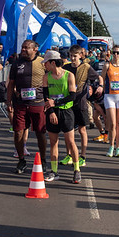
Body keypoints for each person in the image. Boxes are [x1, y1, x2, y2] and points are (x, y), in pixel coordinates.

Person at [6, 40, 47, 174]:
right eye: (22, 47)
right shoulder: (17, 63)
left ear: (35, 49)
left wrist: (49, 100)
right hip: (21, 104)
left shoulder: (42, 62)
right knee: (18, 132)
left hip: (38, 103)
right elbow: (11, 83)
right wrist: (8, 102)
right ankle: (21, 160)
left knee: (40, 132)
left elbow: (50, 79)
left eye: (26, 48)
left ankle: (43, 160)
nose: (23, 50)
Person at [42, 50, 81, 184]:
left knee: (70, 142)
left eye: (45, 63)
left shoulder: (69, 75)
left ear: (53, 62)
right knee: (53, 142)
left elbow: (72, 96)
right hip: (53, 112)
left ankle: (76, 170)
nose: (44, 66)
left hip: (66, 111)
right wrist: (51, 111)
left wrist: (56, 102)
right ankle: (54, 170)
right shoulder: (46, 77)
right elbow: (46, 96)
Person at [62, 44, 102, 168]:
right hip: (68, 102)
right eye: (71, 56)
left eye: (75, 56)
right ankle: (69, 154)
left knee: (82, 130)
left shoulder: (86, 67)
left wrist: (100, 86)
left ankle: (83, 156)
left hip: (81, 103)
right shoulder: (66, 67)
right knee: (68, 130)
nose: (73, 58)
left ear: (80, 55)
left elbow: (99, 77)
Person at [101, 46, 119, 158]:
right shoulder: (107, 65)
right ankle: (111, 146)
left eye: (118, 53)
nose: (116, 55)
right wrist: (101, 86)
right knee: (112, 123)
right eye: (114, 53)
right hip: (110, 96)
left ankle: (118, 147)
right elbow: (101, 78)